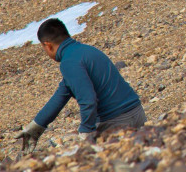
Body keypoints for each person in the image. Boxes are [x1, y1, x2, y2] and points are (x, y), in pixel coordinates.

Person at [15, 18, 145, 152]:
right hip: (137, 112)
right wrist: (37, 125)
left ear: (48, 45)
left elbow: (88, 100)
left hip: (115, 121)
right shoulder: (85, 51)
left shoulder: (69, 62)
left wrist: (85, 133)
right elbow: (61, 94)